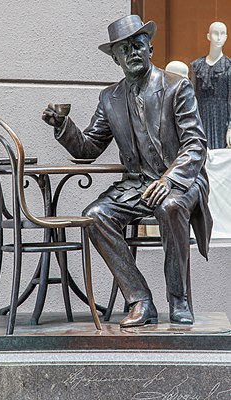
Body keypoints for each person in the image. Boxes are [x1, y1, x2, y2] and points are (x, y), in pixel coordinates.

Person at [43, 15, 212, 328]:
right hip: (136, 187)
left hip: (181, 182)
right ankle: (140, 299)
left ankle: (179, 299)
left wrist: (169, 179)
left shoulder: (177, 88)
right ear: (115, 58)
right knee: (95, 214)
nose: (133, 52)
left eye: (138, 45)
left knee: (170, 205)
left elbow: (195, 145)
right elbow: (89, 148)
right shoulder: (110, 98)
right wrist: (63, 127)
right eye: (124, 48)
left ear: (149, 48)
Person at [191, 21, 231, 149]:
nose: (219, 37)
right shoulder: (196, 66)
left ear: (226, 37)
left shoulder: (229, 66)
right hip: (201, 117)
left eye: (222, 34)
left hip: (222, 117)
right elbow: (191, 98)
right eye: (215, 33)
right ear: (208, 36)